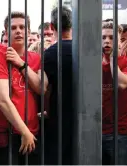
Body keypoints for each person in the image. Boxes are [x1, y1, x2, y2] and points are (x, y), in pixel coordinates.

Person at [0, 11, 48, 165]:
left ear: (28, 31)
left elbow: (42, 88)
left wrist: (21, 64)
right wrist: (24, 131)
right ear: (6, 32)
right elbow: (2, 100)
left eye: (22, 27)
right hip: (8, 133)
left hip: (32, 130)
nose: (19, 31)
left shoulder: (36, 58)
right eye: (13, 28)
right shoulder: (1, 57)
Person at [43, 6, 73, 164]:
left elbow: (46, 89)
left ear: (52, 26)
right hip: (87, 116)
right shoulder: (85, 51)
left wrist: (48, 111)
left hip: (58, 118)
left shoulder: (50, 54)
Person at [101, 22, 127, 165]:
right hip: (94, 130)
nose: (107, 41)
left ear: (119, 41)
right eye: (103, 37)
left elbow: (121, 83)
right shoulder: (90, 63)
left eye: (112, 37)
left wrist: (113, 59)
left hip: (119, 133)